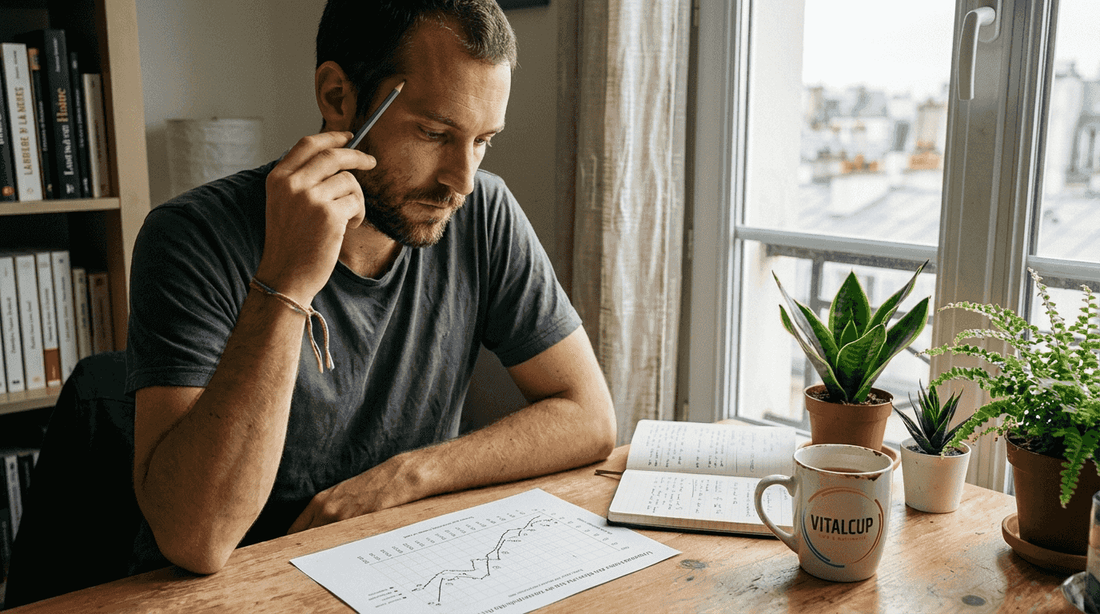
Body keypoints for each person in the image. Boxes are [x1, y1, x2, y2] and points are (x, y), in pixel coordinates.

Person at [125, 0, 615, 576]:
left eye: (484, 140)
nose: (461, 180)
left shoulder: (484, 211)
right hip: (240, 582)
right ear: (337, 97)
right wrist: (286, 283)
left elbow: (589, 417)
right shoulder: (190, 238)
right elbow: (196, 539)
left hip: (396, 565)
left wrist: (406, 476)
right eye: (434, 132)